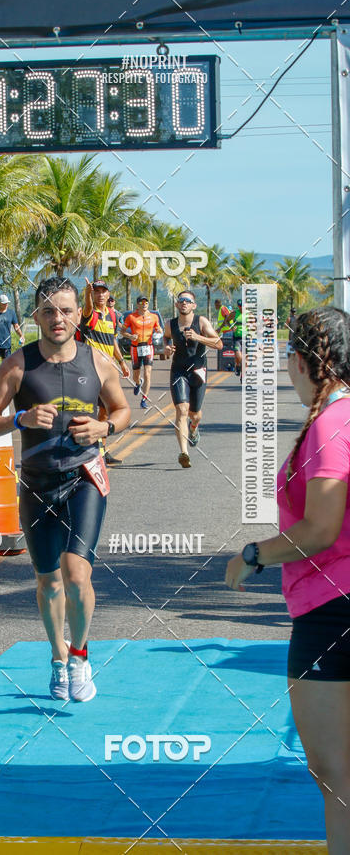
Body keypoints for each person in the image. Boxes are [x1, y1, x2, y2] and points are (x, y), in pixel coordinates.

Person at [225, 307, 350, 854]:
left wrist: (253, 555)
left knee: (334, 774)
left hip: (332, 610)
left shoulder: (331, 422)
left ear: (300, 362)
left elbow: (320, 528)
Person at [0, 276, 130, 702]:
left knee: (77, 574)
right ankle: (58, 658)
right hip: (37, 483)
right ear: (37, 316)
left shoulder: (98, 362)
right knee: (48, 582)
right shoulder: (17, 364)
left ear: (79, 313)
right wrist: (18, 420)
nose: (57, 318)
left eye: (65, 310)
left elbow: (122, 409)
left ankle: (80, 657)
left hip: (85, 478)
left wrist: (106, 426)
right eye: (48, 311)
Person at [163, 290, 222, 468]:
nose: (184, 303)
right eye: (181, 300)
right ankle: (184, 452)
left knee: (194, 414)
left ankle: (194, 428)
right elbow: (165, 339)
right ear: (176, 305)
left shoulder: (201, 322)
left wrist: (198, 337)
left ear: (193, 305)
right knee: (181, 410)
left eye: (188, 301)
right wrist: (167, 348)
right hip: (178, 371)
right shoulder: (170, 324)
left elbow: (218, 344)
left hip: (198, 371)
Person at [79, 278, 130, 465]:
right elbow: (87, 308)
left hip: (107, 372)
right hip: (88, 368)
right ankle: (84, 451)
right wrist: (87, 294)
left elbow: (113, 340)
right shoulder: (90, 313)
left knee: (105, 412)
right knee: (87, 411)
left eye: (103, 291)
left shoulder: (113, 315)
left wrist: (122, 361)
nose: (100, 294)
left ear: (108, 294)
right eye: (96, 291)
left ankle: (102, 451)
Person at [121, 295, 161, 409]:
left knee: (148, 373)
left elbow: (158, 328)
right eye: (142, 302)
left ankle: (144, 399)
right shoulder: (131, 317)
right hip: (135, 347)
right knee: (135, 376)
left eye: (146, 302)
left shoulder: (153, 317)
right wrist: (130, 336)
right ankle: (138, 383)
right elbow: (123, 331)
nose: (144, 304)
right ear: (137, 304)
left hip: (148, 347)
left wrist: (159, 330)